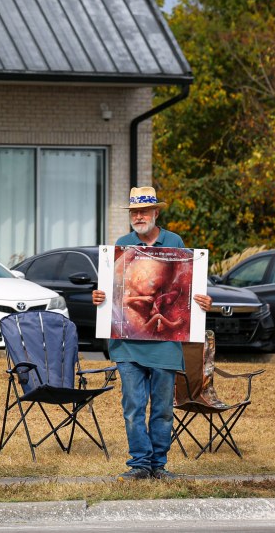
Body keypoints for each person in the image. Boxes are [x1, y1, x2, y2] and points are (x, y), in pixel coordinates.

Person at [92, 186, 211, 481]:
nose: (139, 216)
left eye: (144, 211)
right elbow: (112, 291)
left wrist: (203, 300)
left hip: (165, 343)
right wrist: (100, 297)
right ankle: (140, 464)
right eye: (134, 212)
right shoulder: (121, 246)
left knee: (162, 409)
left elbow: (186, 289)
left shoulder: (175, 243)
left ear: (156, 213)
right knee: (133, 406)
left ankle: (158, 464)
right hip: (127, 343)